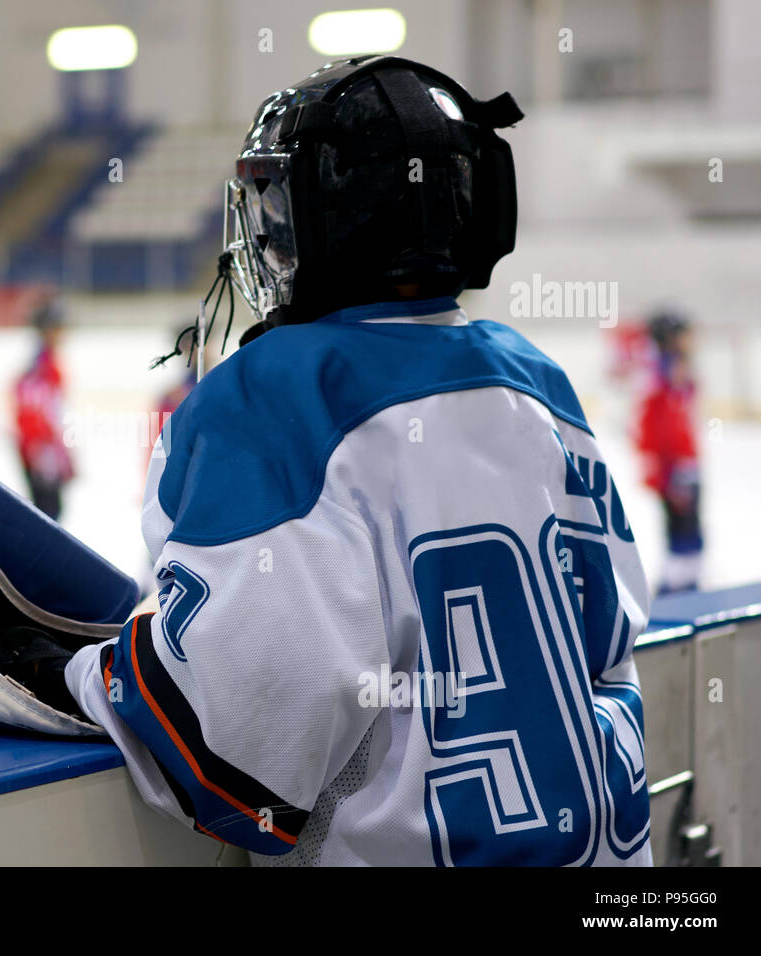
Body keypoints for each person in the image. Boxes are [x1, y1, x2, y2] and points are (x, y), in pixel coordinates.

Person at [58, 56, 653, 865]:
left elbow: (231, 764)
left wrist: (78, 672)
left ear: (315, 216)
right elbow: (607, 637)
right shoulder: (541, 385)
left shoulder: (281, 395)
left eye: (274, 199)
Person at [636, 312, 702, 593]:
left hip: (682, 466)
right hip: (675, 469)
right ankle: (678, 585)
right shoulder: (660, 377)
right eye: (683, 335)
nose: (690, 341)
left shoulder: (673, 373)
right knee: (681, 528)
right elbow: (658, 430)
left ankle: (683, 580)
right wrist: (669, 471)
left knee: (687, 527)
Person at [11, 296, 73, 520]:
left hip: (41, 448)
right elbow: (39, 413)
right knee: (48, 511)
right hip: (40, 450)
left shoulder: (45, 363)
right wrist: (49, 453)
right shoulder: (42, 367)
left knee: (49, 509)